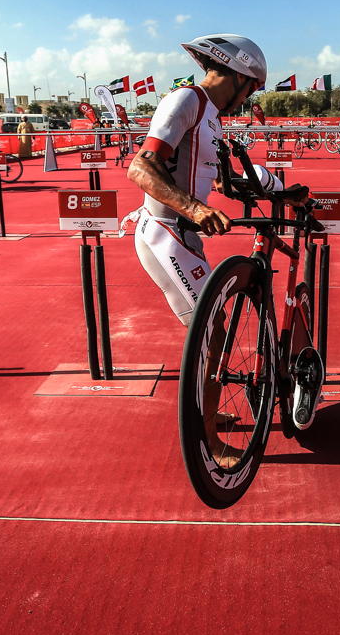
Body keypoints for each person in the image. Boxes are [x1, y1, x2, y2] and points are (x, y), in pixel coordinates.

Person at [127, 33, 318, 432]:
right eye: (252, 89)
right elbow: (141, 168)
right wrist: (196, 208)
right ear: (238, 75)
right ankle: (207, 435)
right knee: (213, 332)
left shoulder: (210, 117)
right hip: (165, 231)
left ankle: (207, 413)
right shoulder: (186, 100)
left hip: (184, 235)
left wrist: (282, 192)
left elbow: (223, 181)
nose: (249, 98)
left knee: (212, 331)